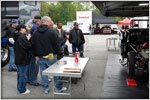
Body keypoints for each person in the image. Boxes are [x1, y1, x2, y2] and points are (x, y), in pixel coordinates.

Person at [31, 16, 67, 94]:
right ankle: (58, 88)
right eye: (50, 21)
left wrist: (35, 55)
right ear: (46, 22)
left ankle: (45, 88)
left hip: (40, 57)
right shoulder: (52, 32)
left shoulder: (35, 33)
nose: (51, 23)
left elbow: (32, 44)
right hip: (51, 56)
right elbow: (56, 45)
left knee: (43, 73)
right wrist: (59, 54)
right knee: (56, 73)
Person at [14, 24, 31, 94]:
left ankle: (19, 87)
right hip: (23, 59)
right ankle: (22, 90)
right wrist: (28, 39)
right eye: (24, 28)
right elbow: (27, 46)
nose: (26, 30)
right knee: (23, 75)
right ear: (21, 29)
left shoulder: (17, 36)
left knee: (20, 74)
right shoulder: (22, 37)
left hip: (18, 58)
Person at [27, 15, 42, 86]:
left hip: (30, 49)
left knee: (30, 66)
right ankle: (33, 81)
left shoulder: (31, 26)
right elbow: (36, 41)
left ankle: (28, 79)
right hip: (34, 50)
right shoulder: (36, 27)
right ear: (38, 20)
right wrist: (36, 54)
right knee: (34, 66)